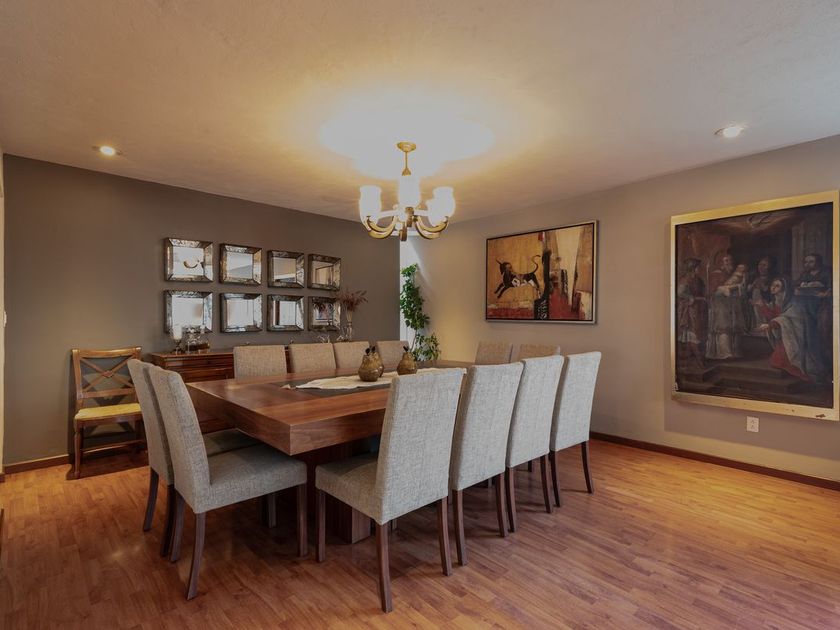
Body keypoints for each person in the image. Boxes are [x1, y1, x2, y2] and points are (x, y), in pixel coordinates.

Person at [757, 277, 824, 382]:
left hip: (797, 335)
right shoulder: (777, 301)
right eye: (772, 285)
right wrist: (763, 307)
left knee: (782, 360)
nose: (773, 288)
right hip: (787, 334)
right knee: (776, 360)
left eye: (777, 286)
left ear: (784, 289)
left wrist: (770, 325)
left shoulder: (794, 304)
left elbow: (785, 319)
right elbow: (775, 316)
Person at [794, 253, 832, 373]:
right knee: (808, 333)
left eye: (811, 262)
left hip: (824, 305)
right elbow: (796, 285)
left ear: (818, 262)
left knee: (823, 332)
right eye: (806, 262)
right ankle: (814, 365)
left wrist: (826, 293)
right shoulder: (805, 274)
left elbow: (832, 287)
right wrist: (799, 288)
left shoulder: (827, 272)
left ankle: (828, 365)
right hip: (808, 305)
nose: (808, 264)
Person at [706, 254, 748, 360]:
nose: (729, 262)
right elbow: (713, 291)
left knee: (734, 328)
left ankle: (735, 352)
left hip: (732, 305)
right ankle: (724, 353)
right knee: (723, 328)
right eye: (726, 261)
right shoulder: (716, 274)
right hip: (720, 305)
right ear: (721, 263)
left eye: (730, 260)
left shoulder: (734, 274)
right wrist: (729, 288)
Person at [676, 258, 707, 367]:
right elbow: (681, 293)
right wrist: (695, 298)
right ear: (693, 268)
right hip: (688, 311)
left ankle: (693, 360)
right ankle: (699, 360)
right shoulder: (685, 280)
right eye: (699, 267)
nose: (700, 269)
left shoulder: (699, 280)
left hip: (698, 310)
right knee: (692, 335)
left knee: (698, 334)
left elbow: (703, 291)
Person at [748, 256, 773, 331]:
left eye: (764, 265)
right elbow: (748, 293)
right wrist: (750, 299)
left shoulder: (771, 279)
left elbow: (771, 294)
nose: (761, 267)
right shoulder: (753, 278)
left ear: (769, 267)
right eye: (760, 265)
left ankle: (761, 325)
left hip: (766, 303)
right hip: (753, 303)